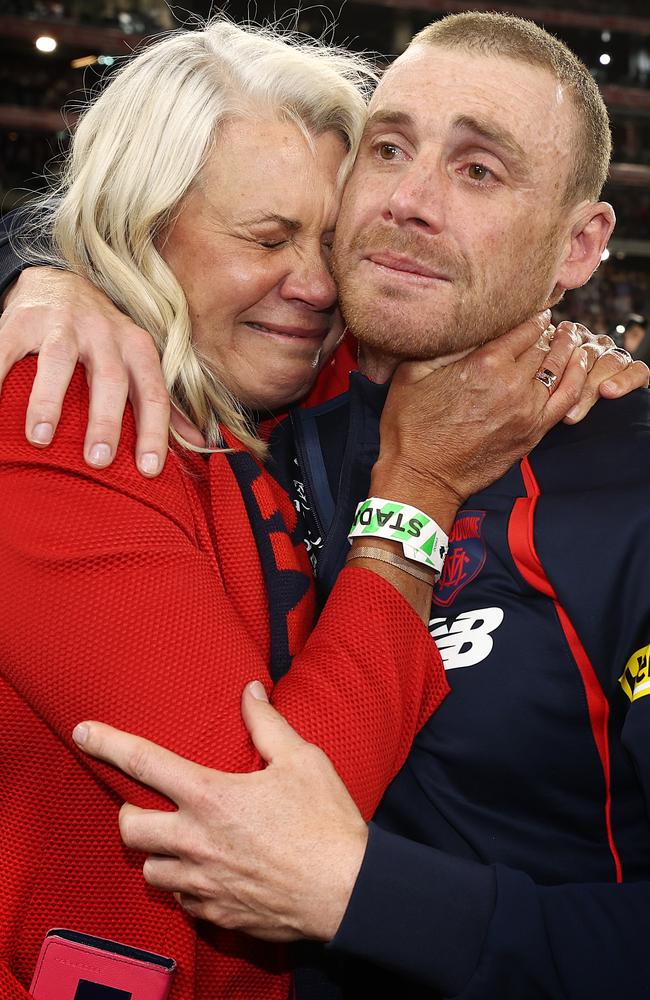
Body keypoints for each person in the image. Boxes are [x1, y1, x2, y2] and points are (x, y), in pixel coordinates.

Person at [8, 11, 649, 1000]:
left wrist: (373, 895)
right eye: (387, 149)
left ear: (578, 246)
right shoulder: (160, 400)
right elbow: (252, 815)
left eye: (478, 169)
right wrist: (44, 275)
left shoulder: (614, 472)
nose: (404, 202)